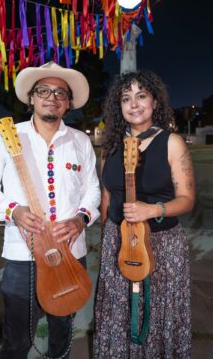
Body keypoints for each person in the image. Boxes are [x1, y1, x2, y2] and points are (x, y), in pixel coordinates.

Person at [0, 61, 101, 359]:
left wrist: (82, 218)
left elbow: (92, 189)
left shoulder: (80, 141)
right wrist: (13, 210)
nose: (52, 97)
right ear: (31, 98)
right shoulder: (7, 137)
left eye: (60, 92)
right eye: (43, 90)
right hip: (22, 257)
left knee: (62, 337)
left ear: (68, 102)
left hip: (71, 253)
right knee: (17, 341)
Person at [93, 70, 195, 359]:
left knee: (156, 311)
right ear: (119, 107)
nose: (134, 104)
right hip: (119, 240)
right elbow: (107, 196)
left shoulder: (172, 142)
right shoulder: (110, 147)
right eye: (126, 98)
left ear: (154, 102)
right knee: (118, 311)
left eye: (141, 96)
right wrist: (108, 238)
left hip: (162, 243)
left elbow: (187, 199)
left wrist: (154, 209)